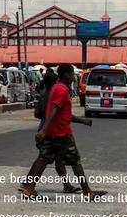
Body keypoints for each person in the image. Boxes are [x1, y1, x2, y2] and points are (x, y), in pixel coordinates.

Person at [21, 64, 107, 199]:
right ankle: (87, 191)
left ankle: (28, 186)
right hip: (62, 134)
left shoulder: (57, 88)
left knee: (43, 159)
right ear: (66, 75)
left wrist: (83, 121)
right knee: (75, 161)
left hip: (52, 132)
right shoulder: (61, 90)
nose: (73, 77)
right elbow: (54, 112)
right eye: (72, 74)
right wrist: (43, 130)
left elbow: (62, 114)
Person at [20, 68, 81, 195]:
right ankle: (28, 184)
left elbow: (37, 113)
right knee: (45, 159)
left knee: (49, 158)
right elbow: (57, 112)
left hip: (47, 127)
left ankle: (29, 184)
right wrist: (45, 128)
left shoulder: (45, 95)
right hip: (53, 129)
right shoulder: (58, 92)